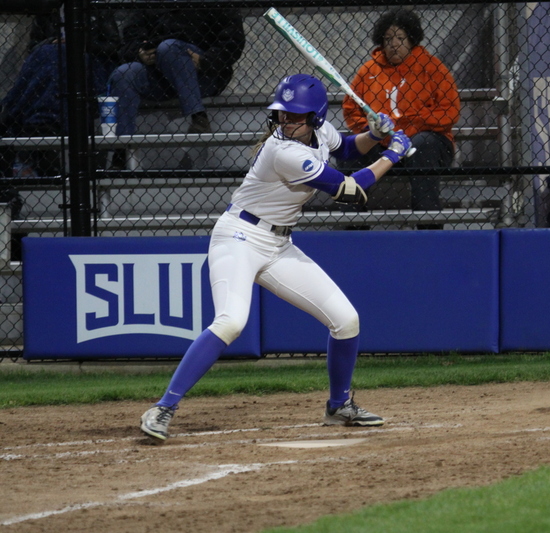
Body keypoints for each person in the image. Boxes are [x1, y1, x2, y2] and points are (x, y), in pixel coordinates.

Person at [139, 73, 413, 441]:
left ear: (315, 118)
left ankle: (338, 405)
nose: (285, 121)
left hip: (278, 244)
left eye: (295, 115)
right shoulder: (283, 151)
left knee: (346, 321)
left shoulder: (319, 132)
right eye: (282, 114)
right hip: (239, 237)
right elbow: (349, 191)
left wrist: (375, 136)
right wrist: (393, 154)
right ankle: (163, 408)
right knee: (231, 322)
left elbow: (346, 149)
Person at [341, 8, 461, 227]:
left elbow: (450, 110)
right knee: (349, 146)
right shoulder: (369, 71)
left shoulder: (432, 68)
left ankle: (429, 227)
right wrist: (372, 132)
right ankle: (354, 226)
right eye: (388, 39)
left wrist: (413, 124)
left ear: (411, 39)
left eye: (399, 38)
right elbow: (351, 109)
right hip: (381, 143)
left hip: (423, 144)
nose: (393, 44)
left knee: (424, 145)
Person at [0, 7, 120, 178]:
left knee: (59, 58)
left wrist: (78, 43)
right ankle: (41, 120)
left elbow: (113, 47)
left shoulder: (97, 9)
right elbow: (34, 47)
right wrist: (53, 41)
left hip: (90, 68)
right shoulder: (48, 11)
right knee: (50, 55)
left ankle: (14, 111)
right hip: (52, 75)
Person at [108, 3, 245, 140]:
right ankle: (121, 149)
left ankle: (198, 116)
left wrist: (206, 61)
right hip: (158, 75)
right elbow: (129, 39)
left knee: (168, 48)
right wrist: (140, 52)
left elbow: (233, 40)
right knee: (124, 73)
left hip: (203, 75)